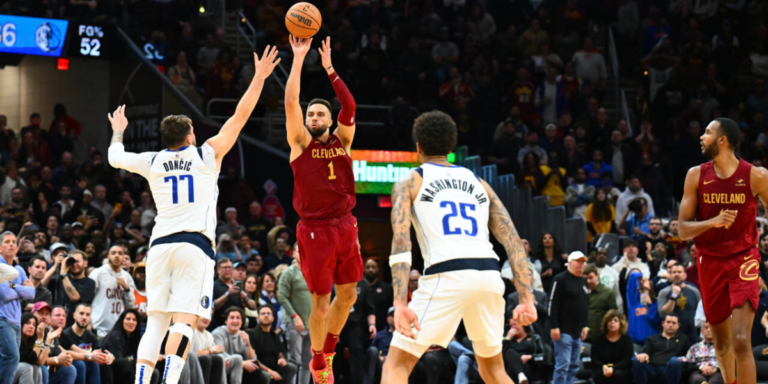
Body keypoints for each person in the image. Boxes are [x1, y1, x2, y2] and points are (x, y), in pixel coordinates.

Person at [106, 44, 280, 384]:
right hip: (193, 246)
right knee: (183, 321)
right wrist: (259, 77)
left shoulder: (152, 160)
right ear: (189, 135)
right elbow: (240, 117)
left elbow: (115, 157)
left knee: (155, 321)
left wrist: (118, 129)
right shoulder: (206, 154)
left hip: (158, 247)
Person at [381, 111, 536, 384]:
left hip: (447, 274)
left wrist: (399, 301)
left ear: (417, 146)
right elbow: (513, 242)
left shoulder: (410, 181)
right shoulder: (480, 183)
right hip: (489, 276)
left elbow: (401, 240)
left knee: (395, 366)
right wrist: (527, 299)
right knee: (493, 370)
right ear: (452, 147)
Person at [285, 36, 361, 383]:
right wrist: (299, 59)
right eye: (310, 113)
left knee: (349, 293)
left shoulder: (343, 141)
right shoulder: (299, 143)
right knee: (320, 302)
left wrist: (330, 68)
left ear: (330, 121)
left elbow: (350, 106)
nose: (313, 116)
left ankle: (327, 349)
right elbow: (290, 104)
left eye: (320, 113)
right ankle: (318, 360)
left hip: (345, 225)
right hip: (314, 229)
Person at [678, 117, 764, 384]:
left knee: (740, 340)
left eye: (707, 132)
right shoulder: (695, 175)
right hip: (710, 261)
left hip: (744, 259)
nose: (701, 137)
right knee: (723, 344)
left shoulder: (756, 176)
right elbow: (682, 229)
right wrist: (712, 222)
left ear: (722, 140)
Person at [0, 231, 36, 384]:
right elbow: (5, 295)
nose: (11, 244)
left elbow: (32, 293)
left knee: (11, 358)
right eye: (7, 241)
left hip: (16, 321)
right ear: (0, 247)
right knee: (12, 356)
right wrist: (21, 289)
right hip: (3, 319)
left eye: (14, 242)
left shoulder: (19, 270)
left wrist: (14, 285)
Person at [549, 251, 589, 384]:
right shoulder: (560, 279)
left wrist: (585, 325)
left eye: (583, 262)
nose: (581, 264)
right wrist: (554, 326)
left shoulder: (583, 281)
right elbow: (552, 304)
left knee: (574, 366)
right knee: (563, 365)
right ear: (569, 262)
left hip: (577, 331)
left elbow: (584, 305)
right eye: (578, 261)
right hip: (563, 330)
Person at [277, 243, 312, 384]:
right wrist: (295, 317)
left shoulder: (312, 271)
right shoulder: (288, 273)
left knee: (307, 362)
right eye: (299, 251)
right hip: (294, 322)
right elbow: (282, 297)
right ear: (293, 253)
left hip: (310, 323)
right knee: (294, 360)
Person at [211, 307, 270, 384]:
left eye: (238, 318)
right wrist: (243, 363)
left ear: (242, 322)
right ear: (226, 321)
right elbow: (219, 355)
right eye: (232, 318)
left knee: (262, 373)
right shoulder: (218, 333)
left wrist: (248, 344)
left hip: (239, 368)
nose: (235, 321)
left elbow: (253, 359)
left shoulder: (243, 334)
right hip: (224, 367)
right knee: (255, 373)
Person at [60, 303, 115, 384]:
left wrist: (110, 356)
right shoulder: (66, 334)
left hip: (87, 367)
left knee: (98, 362)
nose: (84, 317)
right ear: (74, 315)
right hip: (71, 367)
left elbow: (101, 351)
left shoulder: (91, 336)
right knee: (81, 364)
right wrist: (90, 356)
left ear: (90, 318)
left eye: (87, 314)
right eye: (81, 313)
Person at [89, 246, 136, 337]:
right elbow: (87, 299)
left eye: (120, 253)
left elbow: (131, 305)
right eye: (113, 253)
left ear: (123, 257)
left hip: (119, 329)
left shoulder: (127, 277)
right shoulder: (98, 273)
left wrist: (125, 287)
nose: (117, 256)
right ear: (108, 257)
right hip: (98, 328)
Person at [42, 249, 95, 327]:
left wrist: (63, 274)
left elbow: (74, 297)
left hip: (75, 327)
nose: (74, 264)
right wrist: (55, 266)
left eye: (77, 261)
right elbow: (41, 285)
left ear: (85, 263)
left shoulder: (89, 283)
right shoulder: (59, 278)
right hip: (55, 325)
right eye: (72, 261)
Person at [632, 314, 691, 384]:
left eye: (674, 323)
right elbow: (645, 352)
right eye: (668, 322)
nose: (671, 325)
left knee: (675, 361)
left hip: (670, 369)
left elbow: (688, 357)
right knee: (636, 360)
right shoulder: (652, 338)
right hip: (652, 368)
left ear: (678, 325)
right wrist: (644, 355)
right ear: (663, 323)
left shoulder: (684, 339)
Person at [104, 310, 156, 384]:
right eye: (128, 319)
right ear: (122, 321)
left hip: (126, 368)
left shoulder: (135, 337)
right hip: (111, 369)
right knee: (125, 364)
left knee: (152, 371)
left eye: (134, 320)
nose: (131, 322)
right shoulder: (116, 336)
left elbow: (137, 357)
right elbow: (118, 360)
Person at [249, 305, 297, 383]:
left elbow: (280, 354)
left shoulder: (275, 335)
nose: (266, 315)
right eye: (263, 314)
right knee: (266, 375)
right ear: (258, 318)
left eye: (268, 313)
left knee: (291, 367)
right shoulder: (252, 334)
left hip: (275, 368)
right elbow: (254, 360)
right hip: (260, 369)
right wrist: (270, 371)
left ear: (273, 318)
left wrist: (282, 359)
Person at [657, 264, 701, 343]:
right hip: (672, 335)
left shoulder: (694, 291)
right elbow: (662, 314)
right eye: (674, 272)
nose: (676, 274)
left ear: (685, 275)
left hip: (692, 334)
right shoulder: (664, 292)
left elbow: (700, 312)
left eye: (679, 272)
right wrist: (673, 296)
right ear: (670, 275)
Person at [590, 311, 634, 384]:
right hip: (602, 368)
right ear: (606, 323)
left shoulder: (626, 340)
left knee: (617, 375)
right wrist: (603, 367)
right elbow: (594, 358)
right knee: (600, 375)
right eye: (610, 320)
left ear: (621, 324)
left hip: (621, 369)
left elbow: (626, 359)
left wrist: (613, 368)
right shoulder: (598, 339)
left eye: (615, 321)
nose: (612, 323)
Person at [626, 271, 660, 344]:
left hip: (651, 341)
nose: (643, 280)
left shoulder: (655, 302)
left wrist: (650, 304)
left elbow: (656, 321)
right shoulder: (633, 300)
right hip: (635, 341)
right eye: (641, 280)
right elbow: (633, 276)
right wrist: (641, 276)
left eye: (646, 280)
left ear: (651, 285)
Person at [585, 264, 618, 341]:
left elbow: (613, 315)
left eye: (591, 277)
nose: (588, 281)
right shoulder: (581, 292)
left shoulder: (608, 293)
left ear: (597, 276)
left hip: (600, 336)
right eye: (585, 278)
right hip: (582, 336)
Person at [14, 313, 49, 384]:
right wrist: (40, 339)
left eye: (34, 325)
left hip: (17, 371)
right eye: (27, 323)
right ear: (21, 324)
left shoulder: (31, 341)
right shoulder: (15, 339)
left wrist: (48, 340)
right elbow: (31, 358)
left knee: (37, 368)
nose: (31, 326)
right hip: (5, 372)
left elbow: (40, 361)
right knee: (26, 367)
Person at [190, 317, 225, 384]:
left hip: (204, 360)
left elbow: (220, 348)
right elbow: (194, 354)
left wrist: (205, 351)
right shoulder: (192, 331)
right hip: (190, 362)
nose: (206, 319)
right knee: (206, 359)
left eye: (208, 317)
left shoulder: (209, 335)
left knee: (218, 359)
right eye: (203, 316)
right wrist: (209, 351)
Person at [364, 259, 394, 331]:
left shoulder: (387, 288)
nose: (370, 270)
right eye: (367, 267)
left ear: (378, 269)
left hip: (383, 330)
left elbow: (392, 309)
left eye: (373, 267)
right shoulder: (359, 289)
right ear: (363, 269)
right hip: (362, 331)